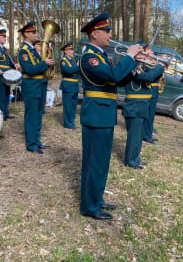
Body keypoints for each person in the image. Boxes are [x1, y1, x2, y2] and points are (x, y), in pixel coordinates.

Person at [79, 12, 141, 220]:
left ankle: (96, 199)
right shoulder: (89, 57)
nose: (109, 35)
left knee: (102, 161)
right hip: (96, 114)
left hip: (103, 113)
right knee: (94, 162)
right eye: (106, 31)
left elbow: (116, 80)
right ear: (94, 33)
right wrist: (130, 57)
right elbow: (112, 75)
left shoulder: (101, 56)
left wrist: (132, 67)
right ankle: (89, 205)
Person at [18, 21, 54, 154]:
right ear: (26, 34)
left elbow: (40, 65)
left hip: (40, 85)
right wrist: (44, 63)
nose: (35, 34)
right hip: (31, 86)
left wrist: (48, 56)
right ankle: (31, 143)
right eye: (33, 32)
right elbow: (30, 70)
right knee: (31, 116)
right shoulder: (24, 51)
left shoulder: (33, 51)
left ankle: (37, 141)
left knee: (38, 115)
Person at [123, 59, 164, 169]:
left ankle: (135, 158)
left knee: (139, 136)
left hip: (141, 106)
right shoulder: (132, 68)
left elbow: (151, 76)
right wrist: (160, 67)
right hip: (134, 106)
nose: (146, 57)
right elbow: (148, 77)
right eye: (143, 55)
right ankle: (130, 160)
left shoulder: (142, 68)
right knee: (134, 136)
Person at [0, 29, 16, 120]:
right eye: (3, 36)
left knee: (6, 94)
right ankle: (0, 114)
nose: (5, 38)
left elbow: (9, 62)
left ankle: (5, 113)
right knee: (1, 96)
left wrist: (14, 66)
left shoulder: (4, 50)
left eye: (5, 36)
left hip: (7, 75)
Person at [142, 44, 163, 143]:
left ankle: (149, 133)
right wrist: (159, 67)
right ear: (145, 52)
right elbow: (151, 75)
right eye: (150, 52)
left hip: (154, 90)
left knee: (151, 115)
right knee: (148, 114)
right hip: (150, 90)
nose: (152, 53)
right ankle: (146, 135)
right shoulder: (143, 64)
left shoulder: (150, 63)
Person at [59, 41, 80, 129]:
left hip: (74, 85)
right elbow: (69, 70)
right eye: (70, 50)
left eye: (72, 50)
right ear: (65, 51)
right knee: (68, 105)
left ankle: (71, 121)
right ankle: (67, 123)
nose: (72, 52)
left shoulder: (73, 60)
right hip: (68, 85)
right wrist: (78, 66)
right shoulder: (63, 60)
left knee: (73, 105)